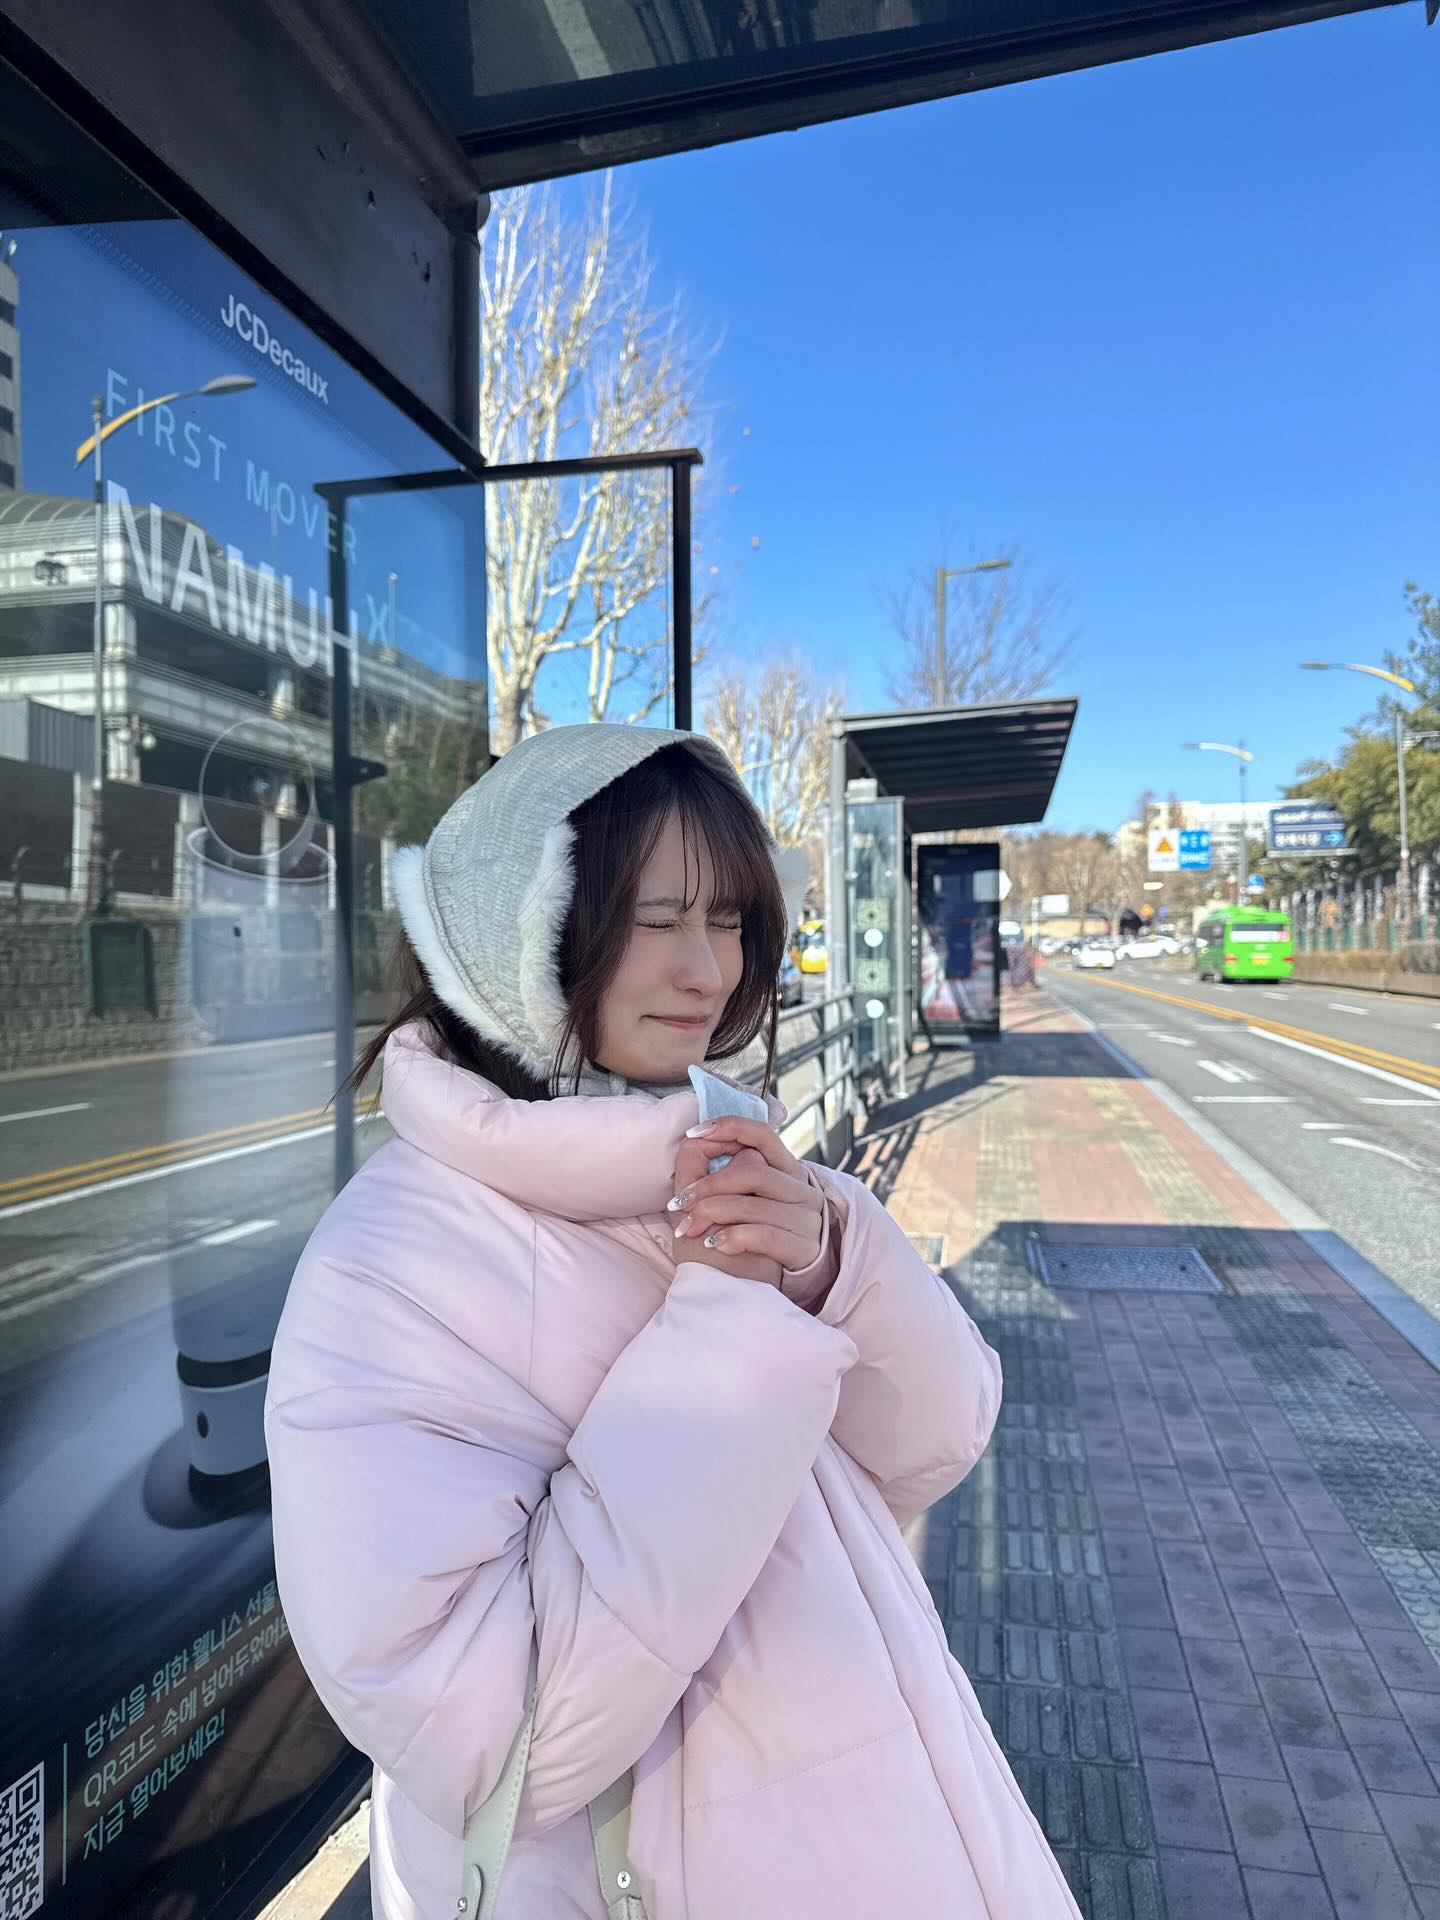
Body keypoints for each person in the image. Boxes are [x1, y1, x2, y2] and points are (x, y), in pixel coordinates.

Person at [265, 724, 1082, 1920]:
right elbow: (486, 1740)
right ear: (520, 927)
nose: (709, 971)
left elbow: (934, 1446)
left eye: (731, 920)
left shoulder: (729, 1167)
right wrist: (729, 1339)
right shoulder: (389, 1268)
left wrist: (830, 1262)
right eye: (659, 919)